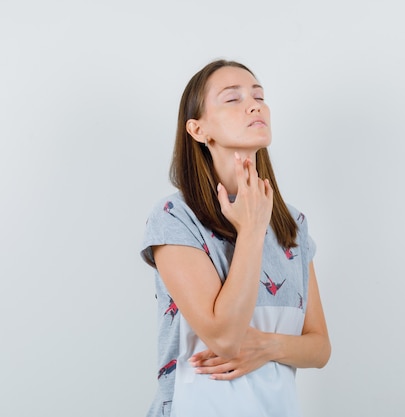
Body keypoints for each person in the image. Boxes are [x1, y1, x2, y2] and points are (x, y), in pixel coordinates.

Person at [140, 59, 331, 417]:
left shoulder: (293, 224)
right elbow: (224, 339)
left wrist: (268, 346)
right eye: (233, 98)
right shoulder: (175, 218)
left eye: (259, 95)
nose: (255, 104)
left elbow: (320, 348)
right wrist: (252, 230)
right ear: (198, 130)